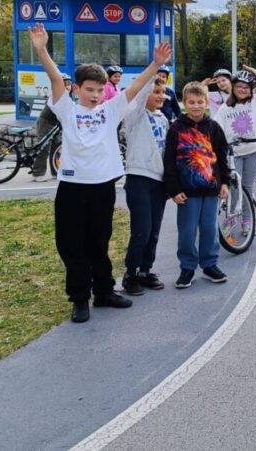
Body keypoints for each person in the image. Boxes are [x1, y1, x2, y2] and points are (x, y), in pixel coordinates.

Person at [28, 23, 171, 324]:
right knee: (72, 244)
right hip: (72, 187)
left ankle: (103, 292)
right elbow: (55, 78)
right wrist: (41, 49)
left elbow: (134, 88)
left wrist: (156, 64)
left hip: (103, 186)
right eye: (88, 90)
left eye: (98, 90)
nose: (94, 95)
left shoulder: (110, 110)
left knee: (99, 241)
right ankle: (79, 298)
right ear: (77, 89)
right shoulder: (66, 109)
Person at [163, 81, 230, 290]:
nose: (195, 106)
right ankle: (188, 267)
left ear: (206, 102)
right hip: (187, 192)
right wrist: (174, 189)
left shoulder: (214, 127)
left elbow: (222, 157)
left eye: (200, 102)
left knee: (210, 229)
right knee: (187, 231)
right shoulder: (176, 128)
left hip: (210, 189)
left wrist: (225, 182)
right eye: (191, 102)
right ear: (184, 103)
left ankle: (209, 264)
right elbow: (169, 161)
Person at [121, 76, 171, 295]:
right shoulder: (134, 116)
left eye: (162, 92)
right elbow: (139, 95)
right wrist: (152, 74)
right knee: (141, 229)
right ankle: (130, 273)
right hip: (138, 178)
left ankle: (145, 270)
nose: (160, 96)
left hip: (158, 181)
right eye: (156, 91)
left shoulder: (164, 119)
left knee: (154, 230)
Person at [214, 67, 256, 231]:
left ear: (251, 89)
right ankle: (230, 218)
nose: (242, 90)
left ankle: (247, 219)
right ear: (233, 88)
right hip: (234, 152)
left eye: (246, 87)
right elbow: (216, 130)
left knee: (248, 187)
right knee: (234, 187)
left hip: (254, 150)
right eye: (239, 86)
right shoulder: (225, 108)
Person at [30, 72, 73, 182]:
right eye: (64, 84)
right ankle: (38, 173)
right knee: (44, 147)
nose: (67, 87)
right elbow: (61, 112)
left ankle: (55, 171)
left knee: (57, 148)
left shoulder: (68, 98)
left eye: (68, 84)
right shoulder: (54, 97)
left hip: (55, 125)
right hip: (45, 123)